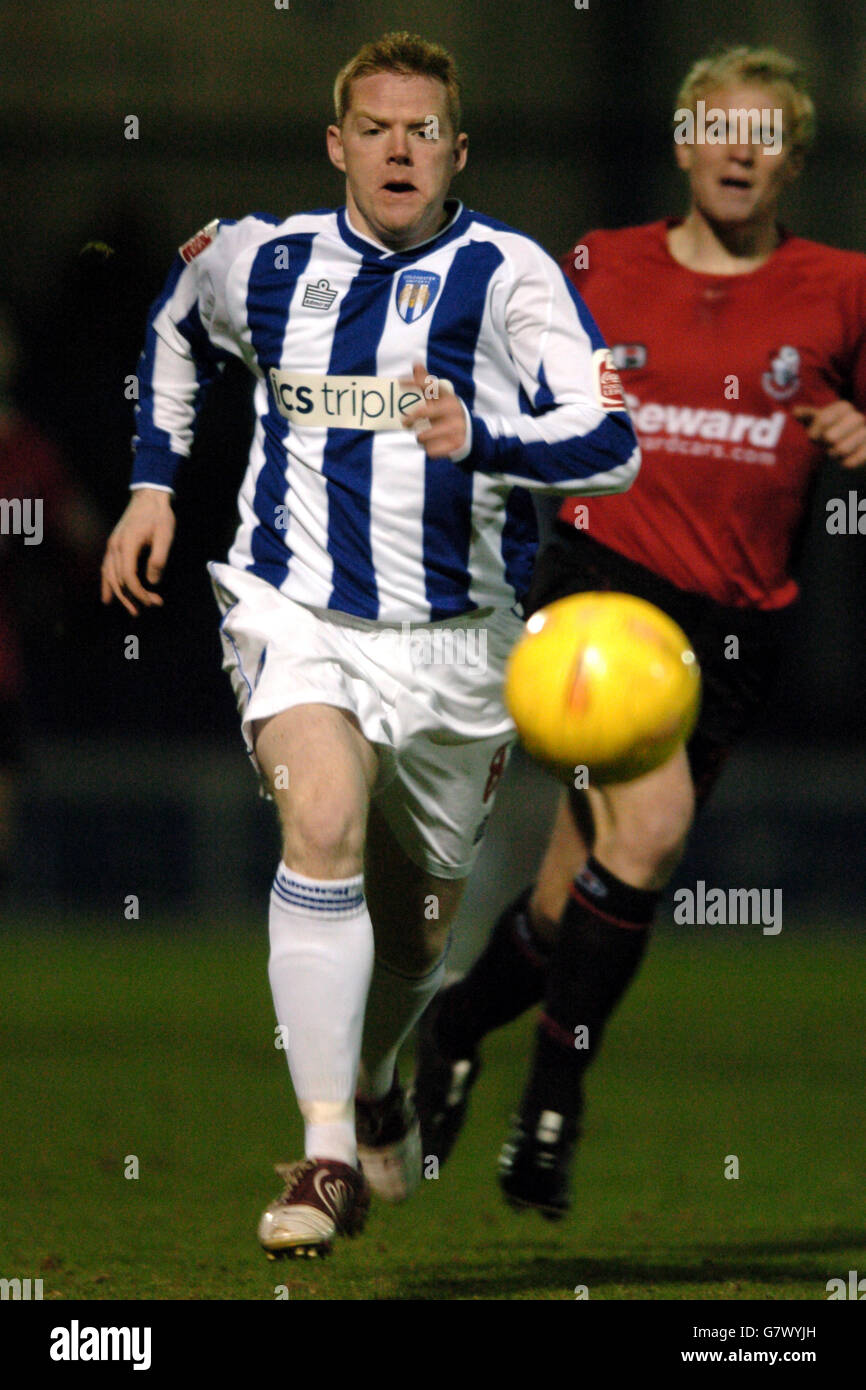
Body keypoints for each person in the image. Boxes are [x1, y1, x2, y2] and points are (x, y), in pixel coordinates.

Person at [100, 31, 639, 1258]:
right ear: (337, 144)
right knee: (323, 818)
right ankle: (326, 1149)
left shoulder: (508, 278)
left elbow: (610, 445)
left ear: (456, 151)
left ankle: (387, 1072)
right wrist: (152, 482)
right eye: (376, 128)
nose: (399, 149)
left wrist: (487, 440)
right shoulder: (263, 259)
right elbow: (173, 322)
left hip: (456, 651)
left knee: (416, 941)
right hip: (296, 614)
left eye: (423, 130)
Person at [412, 44, 866, 1218]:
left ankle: (455, 1025)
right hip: (596, 582)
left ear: (791, 163)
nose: (736, 149)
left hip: (732, 627)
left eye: (762, 136)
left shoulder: (839, 288)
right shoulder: (594, 268)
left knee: (577, 899)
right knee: (653, 823)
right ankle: (550, 1108)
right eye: (716, 125)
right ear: (681, 143)